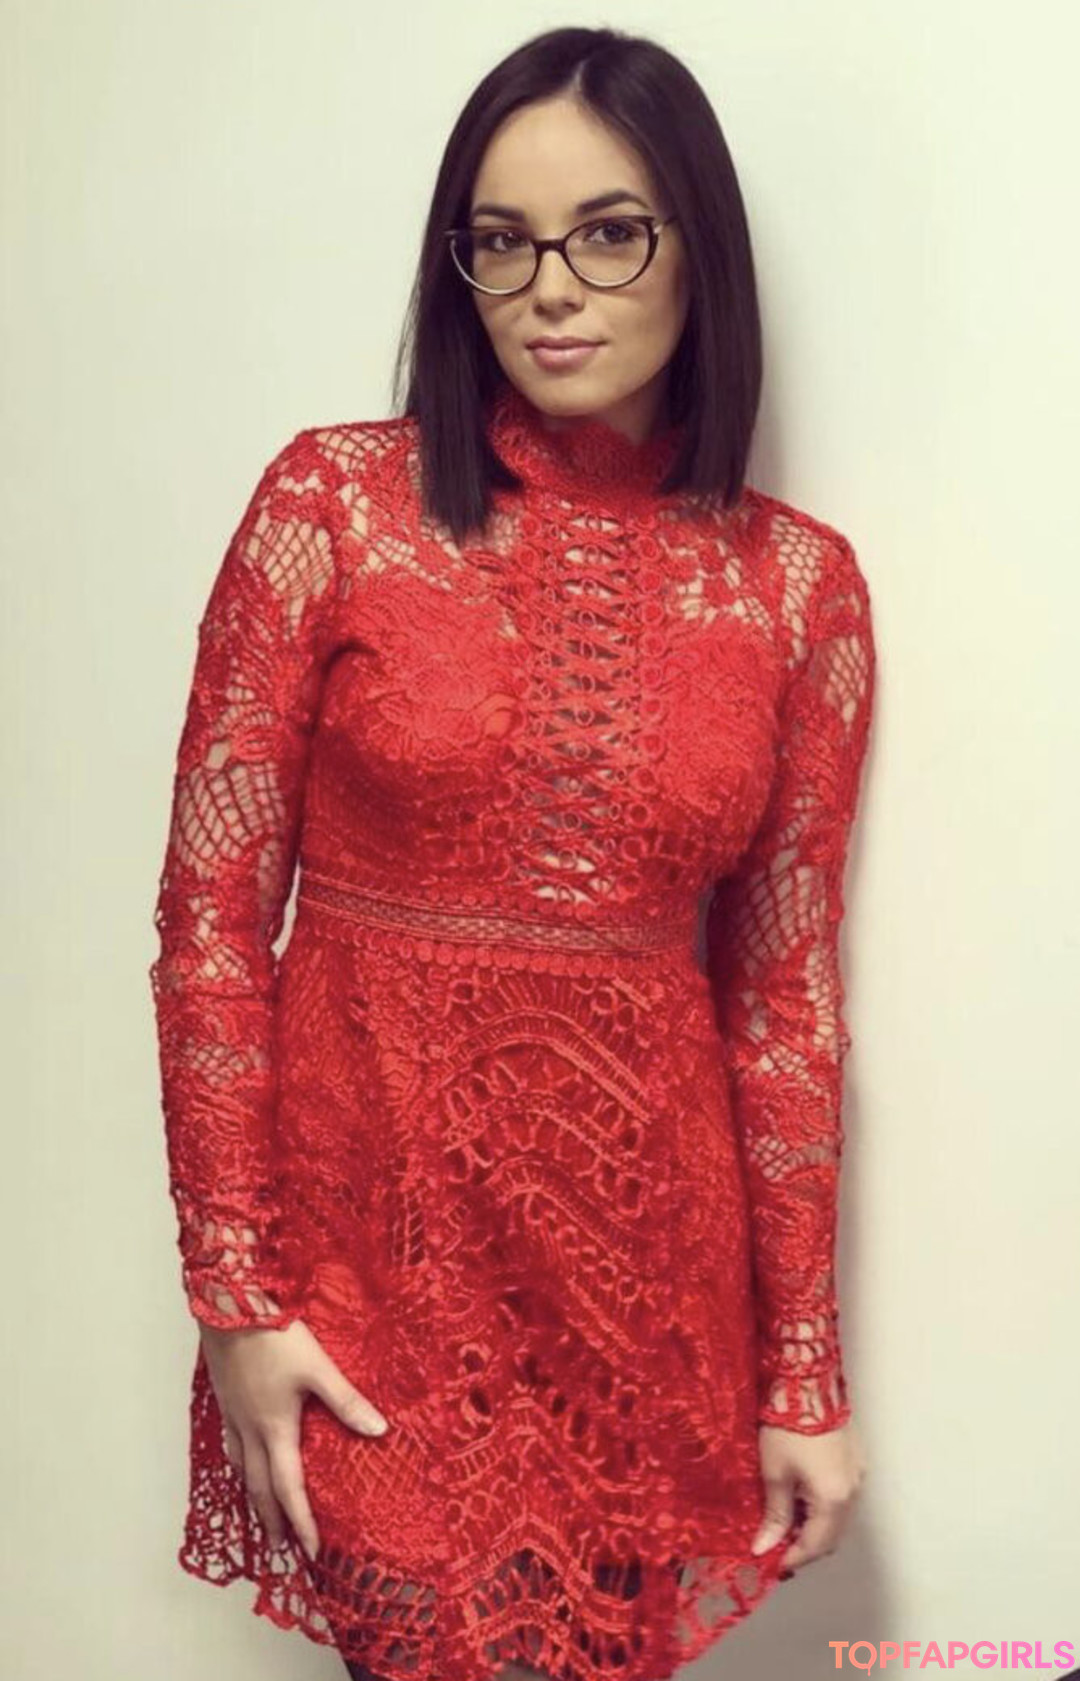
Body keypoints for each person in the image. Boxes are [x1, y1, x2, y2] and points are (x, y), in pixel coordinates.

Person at [148, 24, 875, 1681]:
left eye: (609, 233)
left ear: (699, 247)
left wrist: (805, 1372)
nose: (551, 289)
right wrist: (236, 1292)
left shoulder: (796, 590)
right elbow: (208, 926)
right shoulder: (331, 509)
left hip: (648, 1304)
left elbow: (782, 1009)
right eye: (502, 241)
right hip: (374, 1284)